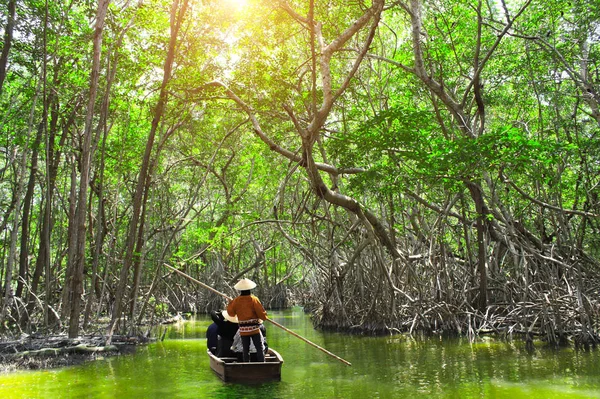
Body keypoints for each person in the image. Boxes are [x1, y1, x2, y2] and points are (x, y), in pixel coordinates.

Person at [226, 278, 267, 362]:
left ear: (240, 290)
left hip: (243, 330)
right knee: (259, 348)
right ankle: (262, 364)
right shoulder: (254, 299)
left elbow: (231, 314)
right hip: (254, 329)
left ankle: (246, 365)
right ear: (250, 289)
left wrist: (230, 303)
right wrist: (264, 317)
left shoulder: (236, 301)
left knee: (245, 349)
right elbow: (261, 314)